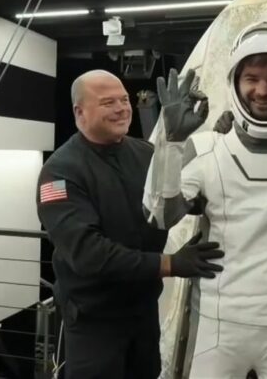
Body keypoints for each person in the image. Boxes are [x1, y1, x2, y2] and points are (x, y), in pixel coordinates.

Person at [144, 22, 267, 378]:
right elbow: (158, 216)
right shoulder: (207, 147)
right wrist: (170, 142)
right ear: (235, 81)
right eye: (252, 78)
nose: (262, 90)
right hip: (219, 324)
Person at [36, 70, 224, 379]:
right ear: (79, 112)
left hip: (143, 314)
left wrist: (221, 142)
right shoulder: (59, 173)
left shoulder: (145, 153)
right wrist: (170, 264)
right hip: (95, 322)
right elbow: (88, 254)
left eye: (124, 100)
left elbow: (175, 199)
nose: (122, 109)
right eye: (108, 102)